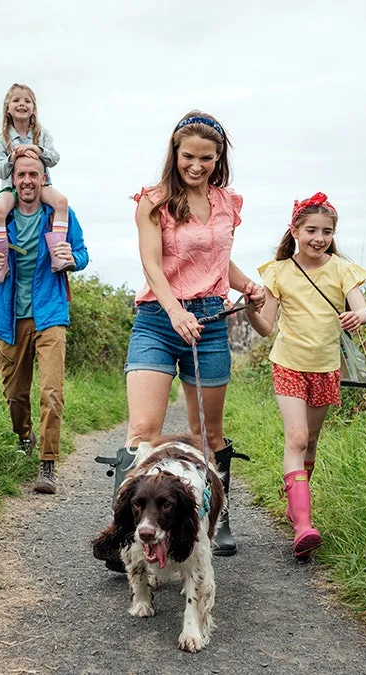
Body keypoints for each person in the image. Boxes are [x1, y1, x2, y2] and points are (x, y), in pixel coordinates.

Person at [96, 110, 264, 570]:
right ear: (175, 153)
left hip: (209, 320)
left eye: (206, 158)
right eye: (188, 156)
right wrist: (174, 310)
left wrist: (247, 284)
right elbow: (153, 263)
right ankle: (125, 535)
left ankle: (215, 517)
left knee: (205, 434)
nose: (196, 165)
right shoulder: (153, 200)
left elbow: (217, 260)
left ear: (218, 157)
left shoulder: (228, 202)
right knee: (143, 430)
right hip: (157, 317)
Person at [244, 192, 366, 559]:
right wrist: (251, 310)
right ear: (295, 230)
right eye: (312, 230)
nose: (319, 238)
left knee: (311, 442)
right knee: (297, 438)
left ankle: (294, 504)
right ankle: (303, 525)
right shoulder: (279, 271)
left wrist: (357, 316)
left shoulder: (342, 269)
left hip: (326, 367)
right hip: (288, 363)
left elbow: (364, 310)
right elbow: (266, 327)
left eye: (327, 231)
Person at [0, 145, 89, 494]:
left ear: (43, 178)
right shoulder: (0, 218)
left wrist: (73, 259)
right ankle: (24, 436)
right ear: (13, 180)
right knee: (14, 394)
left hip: (50, 312)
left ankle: (47, 463)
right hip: (9, 315)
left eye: (33, 175)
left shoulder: (59, 216)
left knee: (51, 391)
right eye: (21, 175)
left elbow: (82, 254)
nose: (27, 181)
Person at [0, 83, 72, 285]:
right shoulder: (2, 140)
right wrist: (12, 157)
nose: (22, 104)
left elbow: (54, 158)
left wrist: (37, 149)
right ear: (8, 108)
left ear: (33, 108)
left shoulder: (43, 134)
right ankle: (0, 264)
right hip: (10, 186)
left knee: (61, 202)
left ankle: (58, 253)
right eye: (16, 100)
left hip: (40, 186)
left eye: (27, 101)